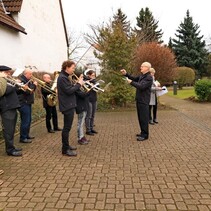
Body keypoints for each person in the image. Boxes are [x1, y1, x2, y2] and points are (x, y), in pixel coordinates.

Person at [120, 62, 153, 141]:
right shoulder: (142, 75)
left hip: (144, 100)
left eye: (142, 66)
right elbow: (134, 78)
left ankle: (145, 135)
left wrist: (131, 82)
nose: (140, 67)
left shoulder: (149, 77)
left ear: (147, 68)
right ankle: (142, 132)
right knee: (140, 117)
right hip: (139, 99)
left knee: (144, 118)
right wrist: (126, 74)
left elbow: (141, 86)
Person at [57, 60, 84, 156]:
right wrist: (79, 84)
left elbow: (69, 88)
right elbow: (69, 91)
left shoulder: (65, 77)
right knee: (66, 128)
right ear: (67, 67)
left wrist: (77, 83)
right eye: (72, 68)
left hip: (69, 105)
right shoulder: (62, 78)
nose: (74, 69)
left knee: (67, 128)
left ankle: (67, 146)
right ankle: (65, 149)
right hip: (67, 106)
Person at [0, 65, 22, 156]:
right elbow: (2, 92)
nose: (9, 74)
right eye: (7, 72)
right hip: (6, 108)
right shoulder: (2, 81)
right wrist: (14, 84)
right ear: (2, 72)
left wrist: (18, 86)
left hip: (12, 107)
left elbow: (14, 91)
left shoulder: (6, 81)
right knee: (8, 130)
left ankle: (11, 146)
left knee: (11, 129)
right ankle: (10, 150)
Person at [17, 68, 37, 143]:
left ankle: (26, 135)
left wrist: (33, 85)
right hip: (23, 103)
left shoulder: (27, 80)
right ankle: (23, 137)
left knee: (28, 120)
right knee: (25, 121)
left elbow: (31, 91)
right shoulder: (22, 81)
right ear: (26, 74)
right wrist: (34, 85)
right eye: (30, 74)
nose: (31, 75)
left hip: (27, 102)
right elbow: (28, 91)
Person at [85, 70, 98, 136]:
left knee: (93, 115)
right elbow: (85, 90)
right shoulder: (86, 81)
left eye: (94, 75)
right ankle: (88, 130)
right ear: (89, 75)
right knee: (88, 116)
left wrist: (96, 85)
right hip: (88, 100)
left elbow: (98, 89)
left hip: (94, 99)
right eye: (92, 75)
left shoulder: (95, 81)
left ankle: (91, 128)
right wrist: (90, 85)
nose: (94, 76)